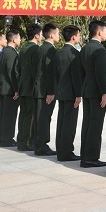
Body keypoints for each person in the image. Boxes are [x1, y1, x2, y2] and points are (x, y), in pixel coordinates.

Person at [80, 20, 106, 168]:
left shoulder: (85, 48)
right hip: (97, 90)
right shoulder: (100, 50)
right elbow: (101, 73)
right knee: (96, 125)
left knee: (87, 123)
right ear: (99, 32)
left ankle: (85, 155)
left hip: (87, 88)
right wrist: (104, 92)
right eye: (105, 31)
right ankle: (91, 157)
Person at [53, 25, 84, 162]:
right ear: (73, 37)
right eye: (78, 35)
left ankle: (60, 149)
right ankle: (66, 152)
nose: (79, 37)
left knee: (61, 122)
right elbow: (76, 76)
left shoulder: (58, 52)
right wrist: (78, 94)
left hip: (61, 91)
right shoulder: (74, 54)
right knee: (69, 124)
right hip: (71, 93)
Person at [17, 23, 43, 152]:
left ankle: (21, 140)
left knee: (23, 114)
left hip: (23, 85)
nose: (42, 36)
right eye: (41, 34)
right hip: (31, 87)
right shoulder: (36, 49)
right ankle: (26, 142)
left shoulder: (23, 48)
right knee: (30, 116)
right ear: (37, 35)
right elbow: (36, 71)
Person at [35, 23, 60, 157]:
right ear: (51, 35)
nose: (58, 36)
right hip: (45, 90)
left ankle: (39, 144)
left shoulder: (40, 48)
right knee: (44, 118)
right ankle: (42, 146)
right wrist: (51, 92)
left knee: (40, 118)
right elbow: (50, 72)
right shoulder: (50, 50)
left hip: (39, 88)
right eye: (57, 33)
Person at [0, 29, 21, 148]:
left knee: (3, 114)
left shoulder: (3, 52)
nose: (20, 40)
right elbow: (13, 72)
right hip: (9, 89)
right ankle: (7, 139)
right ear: (14, 39)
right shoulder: (11, 53)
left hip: (3, 88)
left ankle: (3, 137)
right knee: (9, 116)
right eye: (19, 38)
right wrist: (17, 89)